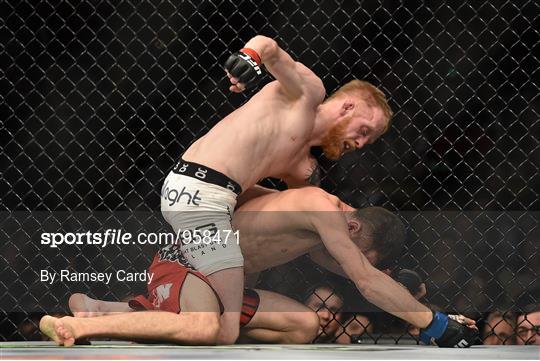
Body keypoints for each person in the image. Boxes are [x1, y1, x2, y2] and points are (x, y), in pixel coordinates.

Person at [158, 34, 393, 344]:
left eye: (368, 141)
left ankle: (110, 310)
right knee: (222, 330)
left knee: (254, 282)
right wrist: (248, 59)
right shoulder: (307, 94)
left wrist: (364, 269)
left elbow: (305, 229)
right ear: (348, 106)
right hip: (201, 188)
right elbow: (268, 46)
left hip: (211, 198)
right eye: (363, 131)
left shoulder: (303, 168)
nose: (360, 144)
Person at [42, 187, 477, 347]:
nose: (354, 259)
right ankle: (83, 326)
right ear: (354, 226)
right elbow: (364, 278)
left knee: (303, 326)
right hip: (187, 265)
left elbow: (368, 279)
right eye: (359, 250)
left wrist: (427, 315)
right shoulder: (318, 208)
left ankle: (100, 307)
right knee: (206, 328)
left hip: (216, 286)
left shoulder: (320, 231)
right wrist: (434, 324)